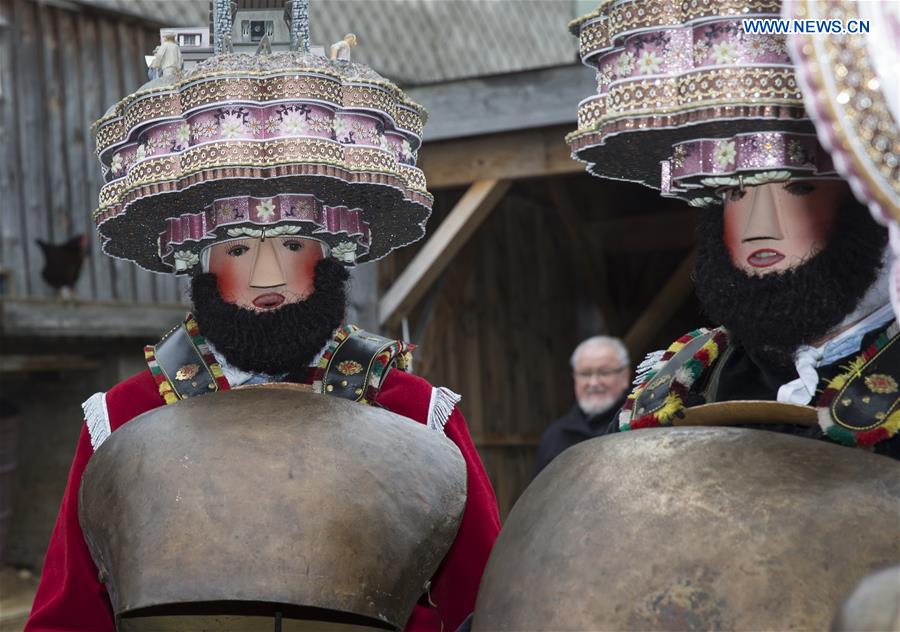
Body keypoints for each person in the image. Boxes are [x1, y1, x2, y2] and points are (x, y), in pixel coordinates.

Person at [25, 16, 500, 632]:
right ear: (195, 258)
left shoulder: (415, 414)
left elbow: (486, 608)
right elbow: (70, 617)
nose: (269, 276)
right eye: (240, 249)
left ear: (334, 250)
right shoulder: (122, 418)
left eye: (296, 242)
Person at [565, 0, 899, 457]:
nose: (760, 229)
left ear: (867, 198)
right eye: (736, 194)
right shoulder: (683, 382)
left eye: (799, 187)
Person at [533, 336, 629, 475]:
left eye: (604, 372)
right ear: (575, 378)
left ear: (625, 376)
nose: (594, 383)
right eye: (585, 374)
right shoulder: (555, 436)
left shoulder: (638, 424)